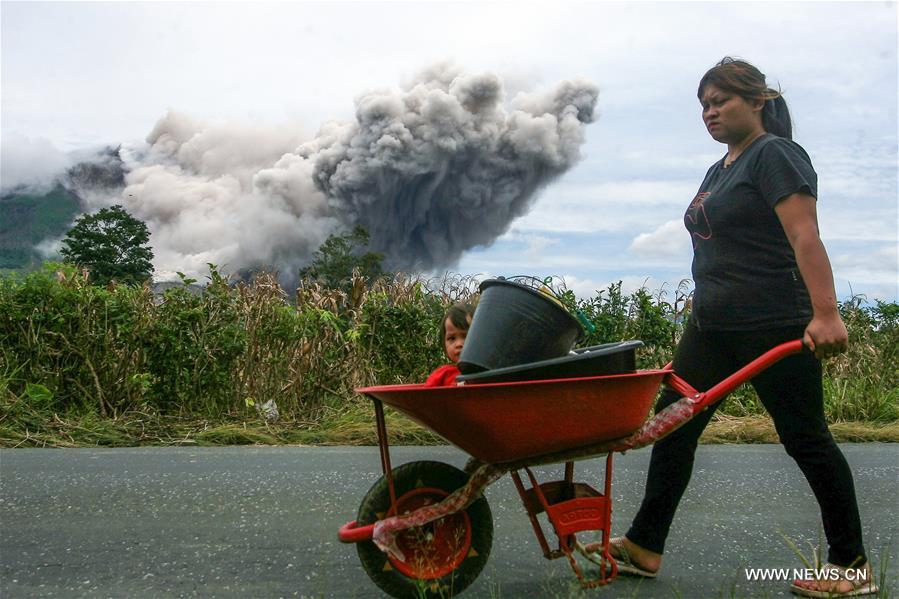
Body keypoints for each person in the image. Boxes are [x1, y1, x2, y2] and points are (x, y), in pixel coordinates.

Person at [606, 58, 876, 598]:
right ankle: (643, 545)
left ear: (757, 101)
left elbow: (805, 238)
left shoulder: (774, 155)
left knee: (806, 439)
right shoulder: (719, 169)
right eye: (703, 105)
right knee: (674, 425)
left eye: (720, 100)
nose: (709, 112)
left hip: (773, 323)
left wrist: (826, 314)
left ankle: (852, 566)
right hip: (712, 326)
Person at [424, 302, 475, 387]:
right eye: (452, 338)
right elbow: (424, 397)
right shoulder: (442, 375)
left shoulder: (492, 374)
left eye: (466, 336)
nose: (458, 344)